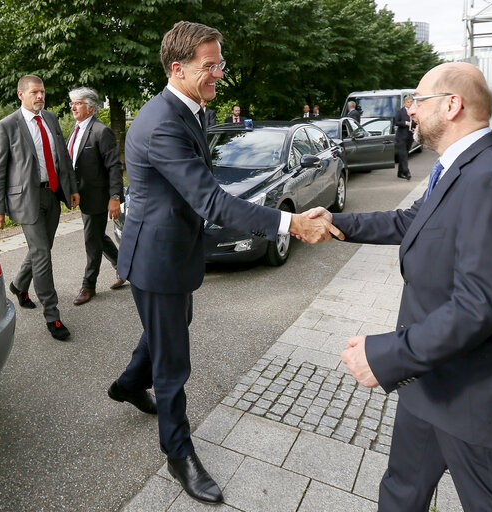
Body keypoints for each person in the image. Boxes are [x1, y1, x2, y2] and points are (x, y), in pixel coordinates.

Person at [109, 20, 337, 505]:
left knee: (169, 326)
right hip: (157, 257)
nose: (219, 75)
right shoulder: (161, 122)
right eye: (209, 66)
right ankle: (178, 454)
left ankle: (129, 383)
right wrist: (290, 225)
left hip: (177, 250)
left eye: (220, 64)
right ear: (178, 68)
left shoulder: (193, 109)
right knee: (174, 362)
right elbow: (211, 201)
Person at [308, 62, 492, 510]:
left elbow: (480, 304)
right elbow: (411, 220)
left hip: (479, 402)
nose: (411, 111)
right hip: (429, 386)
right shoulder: (460, 168)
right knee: (401, 493)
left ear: (452, 104)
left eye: (417, 101)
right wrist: (335, 222)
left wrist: (385, 356)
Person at [0, 75, 80, 340]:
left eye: (42, 92)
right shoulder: (7, 126)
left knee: (42, 248)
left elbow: (63, 157)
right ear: (21, 95)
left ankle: (18, 285)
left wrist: (72, 189)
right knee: (42, 254)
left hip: (51, 194)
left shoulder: (50, 119)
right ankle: (52, 316)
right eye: (35, 93)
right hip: (25, 199)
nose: (40, 97)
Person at [65, 87, 126, 306]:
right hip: (82, 196)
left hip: (99, 197)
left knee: (92, 240)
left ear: (91, 107)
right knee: (98, 236)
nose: (73, 107)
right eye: (71, 103)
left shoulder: (101, 131)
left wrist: (115, 197)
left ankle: (88, 285)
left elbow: (114, 167)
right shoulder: (75, 130)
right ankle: (125, 267)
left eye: (78, 103)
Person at [394, 95, 415, 180]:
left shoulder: (414, 112)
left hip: (410, 137)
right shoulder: (400, 111)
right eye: (408, 102)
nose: (410, 103)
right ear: (404, 103)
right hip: (401, 137)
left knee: (404, 155)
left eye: (411, 102)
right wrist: (406, 123)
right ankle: (407, 172)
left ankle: (400, 173)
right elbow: (396, 122)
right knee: (403, 155)